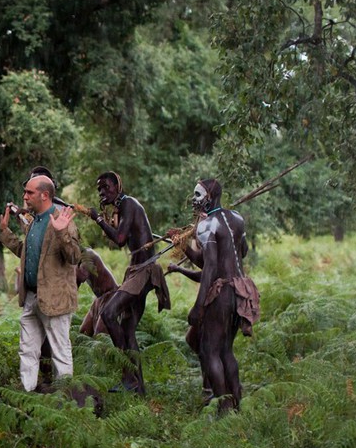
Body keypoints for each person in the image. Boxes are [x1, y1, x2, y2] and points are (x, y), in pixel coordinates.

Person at [173, 178, 259, 413]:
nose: (194, 199)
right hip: (240, 290)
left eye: (197, 195)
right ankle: (236, 405)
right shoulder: (237, 218)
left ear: (209, 197)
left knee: (209, 351)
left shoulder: (206, 225)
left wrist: (199, 306)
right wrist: (183, 245)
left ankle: (223, 409)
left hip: (221, 293)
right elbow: (242, 251)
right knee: (226, 351)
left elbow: (209, 267)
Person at [88, 171, 171, 394]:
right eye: (99, 189)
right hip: (137, 270)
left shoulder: (128, 204)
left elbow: (120, 239)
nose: (102, 192)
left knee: (108, 314)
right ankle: (139, 387)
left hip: (144, 271)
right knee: (128, 329)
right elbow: (123, 238)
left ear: (118, 186)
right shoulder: (124, 207)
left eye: (106, 187)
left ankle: (128, 375)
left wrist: (98, 219)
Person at [0, 174, 80, 392]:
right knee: (27, 350)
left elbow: (74, 257)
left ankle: (65, 399)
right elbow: (25, 253)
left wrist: (62, 233)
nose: (25, 197)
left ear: (44, 195)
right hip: (31, 297)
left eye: (29, 192)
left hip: (55, 299)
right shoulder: (34, 222)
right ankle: (27, 395)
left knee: (60, 352)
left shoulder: (63, 221)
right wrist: (5, 232)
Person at [76, 248, 120, 337]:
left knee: (100, 334)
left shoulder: (88, 255)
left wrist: (70, 268)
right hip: (99, 299)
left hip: (111, 296)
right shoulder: (78, 260)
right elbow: (76, 284)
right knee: (84, 332)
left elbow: (82, 276)